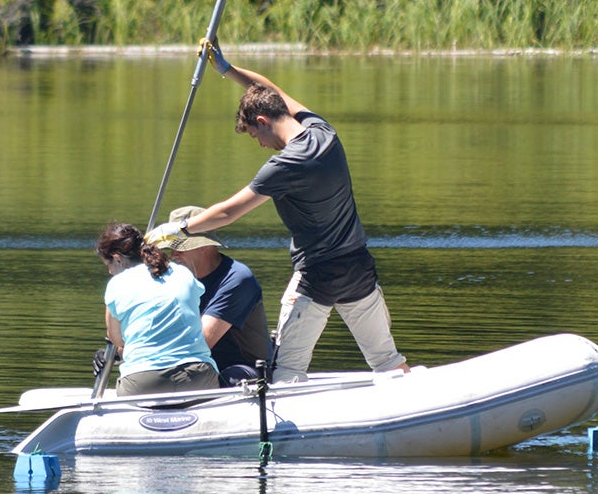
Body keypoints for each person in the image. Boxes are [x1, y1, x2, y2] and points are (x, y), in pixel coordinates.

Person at [148, 39, 410, 383]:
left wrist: (181, 229)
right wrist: (227, 70)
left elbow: (228, 212)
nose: (259, 143)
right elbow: (272, 91)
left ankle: (284, 432)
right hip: (358, 266)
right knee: (386, 359)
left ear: (262, 121)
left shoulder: (284, 165)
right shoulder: (324, 131)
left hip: (317, 277)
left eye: (255, 134)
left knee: (285, 372)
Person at [94, 221, 220, 396]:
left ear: (117, 258)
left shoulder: (116, 284)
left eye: (108, 265)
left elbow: (118, 340)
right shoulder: (183, 273)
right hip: (198, 377)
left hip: (143, 383)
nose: (109, 272)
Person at [158, 205, 270, 385]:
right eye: (171, 247)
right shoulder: (174, 278)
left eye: (180, 247)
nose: (173, 254)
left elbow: (200, 342)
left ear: (205, 246)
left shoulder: (237, 279)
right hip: (195, 367)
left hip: (243, 370)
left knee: (231, 377)